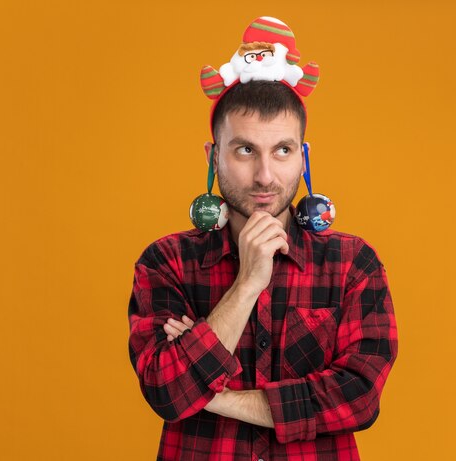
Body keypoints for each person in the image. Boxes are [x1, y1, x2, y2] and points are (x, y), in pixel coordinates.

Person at [128, 16, 398, 461]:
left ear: (303, 157)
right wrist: (249, 281)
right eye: (245, 150)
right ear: (214, 157)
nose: (265, 176)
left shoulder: (353, 263)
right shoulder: (166, 262)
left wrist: (217, 395)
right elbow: (168, 391)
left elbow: (360, 398)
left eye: (283, 150)